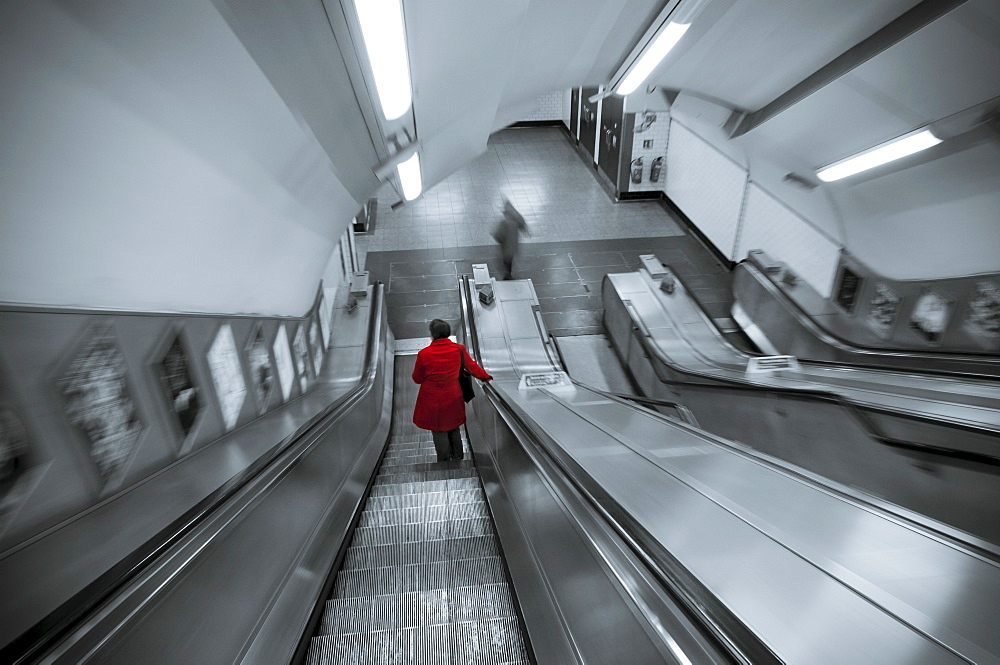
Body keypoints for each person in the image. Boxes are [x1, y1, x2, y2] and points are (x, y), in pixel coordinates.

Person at [412, 319, 492, 462]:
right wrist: (486, 377)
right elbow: (472, 367)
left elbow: (417, 378)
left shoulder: (424, 354)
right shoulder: (459, 349)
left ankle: (444, 462)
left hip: (432, 399)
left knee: (438, 430)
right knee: (454, 427)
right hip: (453, 396)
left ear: (432, 334)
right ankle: (458, 458)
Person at [492, 197, 527, 280]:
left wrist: (497, 236)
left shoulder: (504, 222)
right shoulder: (515, 221)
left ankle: (507, 275)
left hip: (505, 247)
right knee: (509, 260)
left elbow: (498, 235)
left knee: (504, 261)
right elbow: (522, 225)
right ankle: (508, 273)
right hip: (513, 246)